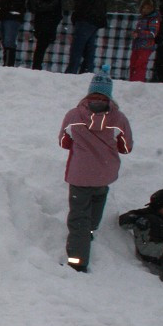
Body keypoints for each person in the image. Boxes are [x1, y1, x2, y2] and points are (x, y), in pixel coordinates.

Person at [58, 66, 133, 272]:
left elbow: (64, 142)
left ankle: (77, 262)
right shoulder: (119, 119)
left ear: (90, 92)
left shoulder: (74, 115)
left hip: (80, 175)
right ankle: (89, 231)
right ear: (109, 94)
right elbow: (126, 147)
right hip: (105, 174)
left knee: (78, 217)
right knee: (97, 201)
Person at [65, 0, 108, 74]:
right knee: (89, 49)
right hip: (94, 19)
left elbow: (87, 0)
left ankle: (72, 72)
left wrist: (78, 10)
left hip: (86, 18)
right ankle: (87, 72)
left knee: (77, 48)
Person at [118, 189, 163, 282]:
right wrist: (138, 219)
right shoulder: (147, 214)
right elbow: (123, 220)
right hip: (149, 246)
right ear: (158, 207)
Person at [28, 0, 68, 70]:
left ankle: (37, 65)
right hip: (45, 18)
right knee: (42, 44)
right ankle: (37, 66)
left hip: (48, 18)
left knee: (42, 44)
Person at [129, 0, 159, 82]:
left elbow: (153, 33)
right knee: (133, 64)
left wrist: (139, 34)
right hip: (137, 45)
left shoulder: (154, 19)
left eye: (148, 8)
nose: (145, 10)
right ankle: (132, 81)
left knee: (140, 65)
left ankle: (137, 82)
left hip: (146, 46)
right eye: (144, 8)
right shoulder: (142, 18)